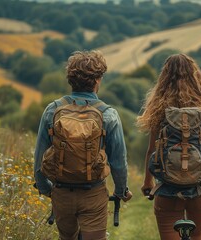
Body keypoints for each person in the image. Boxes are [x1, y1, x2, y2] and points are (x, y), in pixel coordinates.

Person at [34, 50, 132, 240]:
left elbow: (39, 158)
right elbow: (119, 161)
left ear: (70, 79)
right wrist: (121, 191)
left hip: (62, 192)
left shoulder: (53, 110)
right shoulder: (108, 114)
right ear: (97, 80)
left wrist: (46, 189)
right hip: (93, 194)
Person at [137, 53, 201, 240]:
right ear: (195, 74)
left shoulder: (160, 105)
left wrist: (148, 182)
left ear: (164, 76)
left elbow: (152, 150)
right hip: (200, 187)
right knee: (198, 235)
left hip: (167, 186)